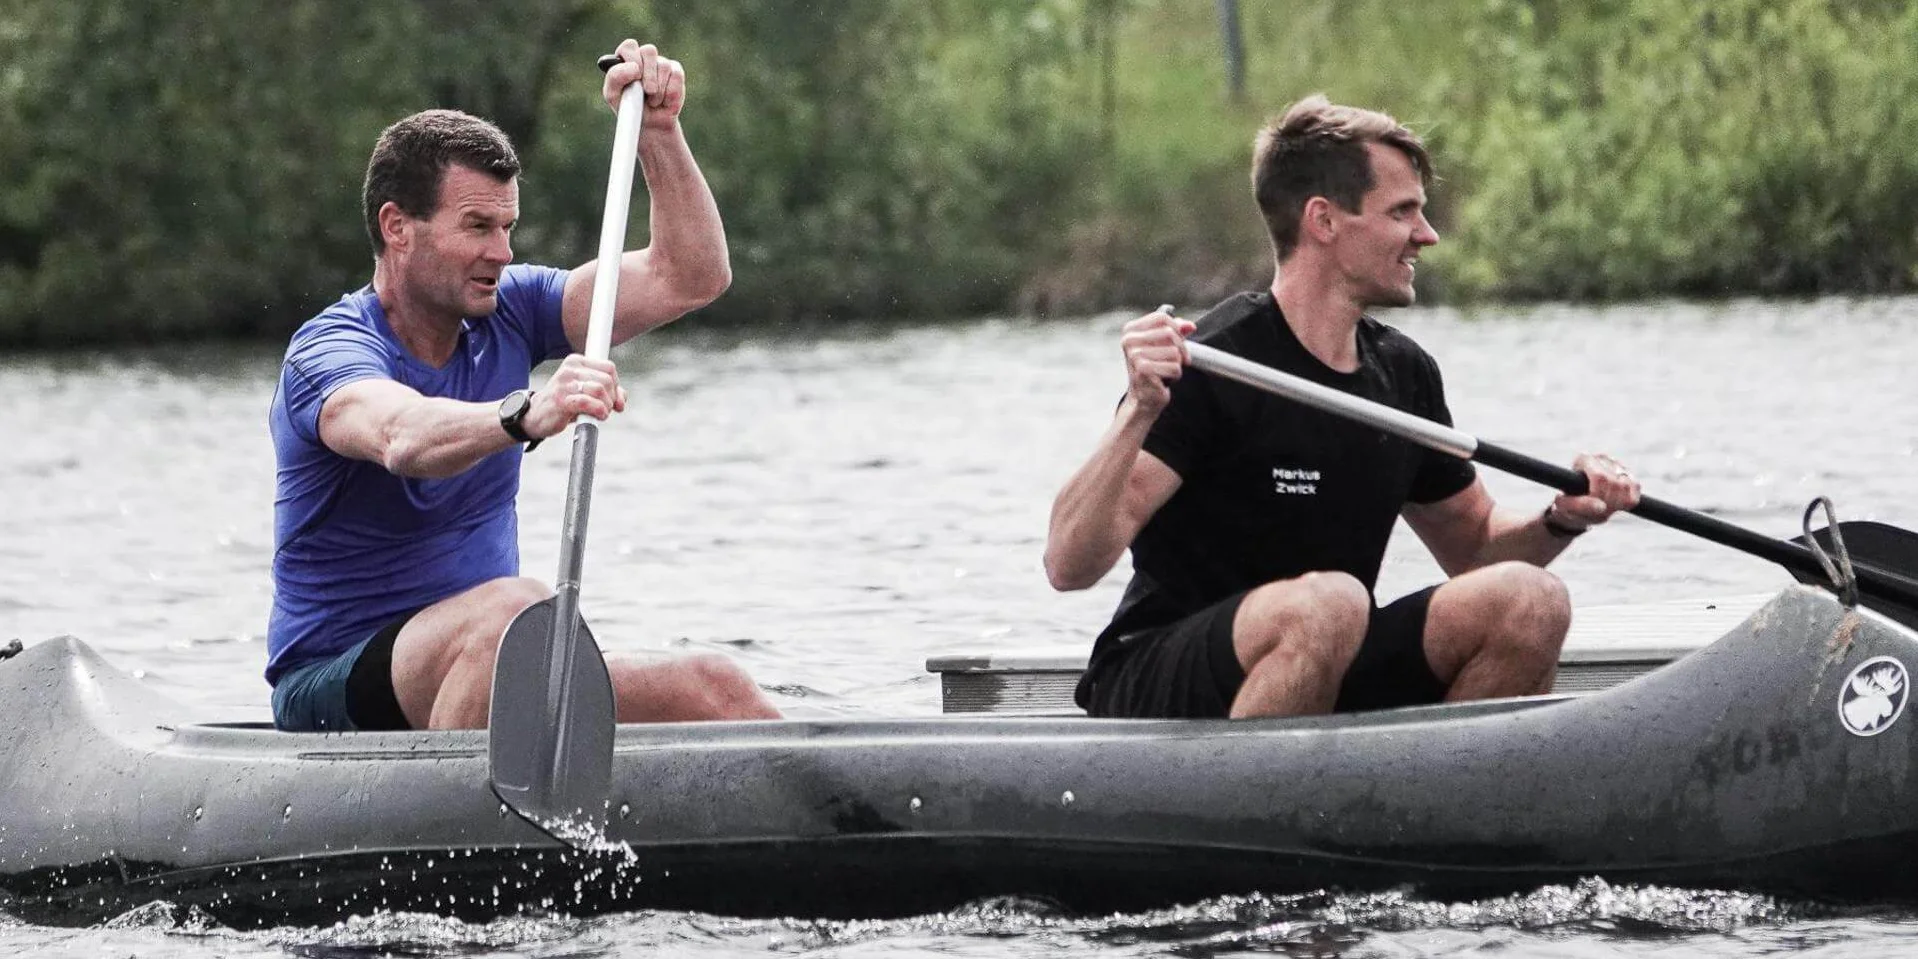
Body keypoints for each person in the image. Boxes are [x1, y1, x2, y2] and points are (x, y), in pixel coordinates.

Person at [1044, 95, 1642, 720]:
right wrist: (1138, 410)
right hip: (1160, 673)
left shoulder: (1402, 374)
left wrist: (1563, 517)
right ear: (1324, 221)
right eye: (1403, 212)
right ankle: (1254, 809)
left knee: (1531, 600)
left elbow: (1473, 550)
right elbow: (1069, 563)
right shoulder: (1212, 362)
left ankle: (1434, 809)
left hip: (1327, 648)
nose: (1427, 235)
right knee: (1330, 604)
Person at [266, 40, 780, 732]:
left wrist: (659, 133)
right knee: (514, 613)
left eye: (508, 227)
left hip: (493, 659)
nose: (503, 253)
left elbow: (688, 276)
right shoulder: (329, 352)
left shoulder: (514, 305)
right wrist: (524, 413)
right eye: (477, 226)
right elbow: (400, 435)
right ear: (397, 228)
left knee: (716, 687)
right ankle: (449, 826)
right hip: (335, 682)